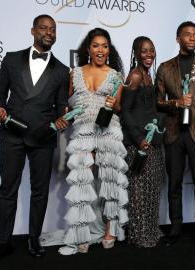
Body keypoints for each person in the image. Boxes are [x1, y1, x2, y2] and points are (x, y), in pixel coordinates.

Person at [0, 14, 70, 265]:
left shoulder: (63, 71)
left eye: (53, 29)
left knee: (40, 191)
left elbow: (62, 105)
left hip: (43, 136)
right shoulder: (11, 59)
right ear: (33, 31)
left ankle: (34, 238)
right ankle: (4, 241)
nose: (49, 32)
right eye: (43, 28)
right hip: (12, 132)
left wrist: (63, 119)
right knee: (8, 189)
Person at [59, 28, 128, 254]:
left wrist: (112, 102)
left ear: (109, 50)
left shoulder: (116, 75)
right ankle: (82, 234)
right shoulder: (75, 73)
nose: (100, 50)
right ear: (88, 48)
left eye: (105, 46)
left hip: (108, 128)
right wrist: (64, 114)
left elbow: (118, 107)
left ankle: (110, 230)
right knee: (81, 181)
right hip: (83, 127)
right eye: (96, 45)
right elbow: (65, 103)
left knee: (110, 179)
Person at [155, 21, 195, 248]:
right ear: (177, 38)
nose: (192, 38)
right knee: (174, 184)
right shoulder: (164, 67)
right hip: (173, 134)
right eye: (187, 35)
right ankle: (175, 228)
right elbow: (158, 102)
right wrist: (176, 102)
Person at [121, 36, 166, 248]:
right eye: (144, 51)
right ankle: (140, 235)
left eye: (152, 50)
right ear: (136, 53)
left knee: (151, 188)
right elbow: (125, 112)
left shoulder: (149, 75)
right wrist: (139, 139)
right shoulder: (136, 76)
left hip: (152, 141)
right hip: (138, 142)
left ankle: (150, 230)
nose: (149, 55)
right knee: (139, 189)